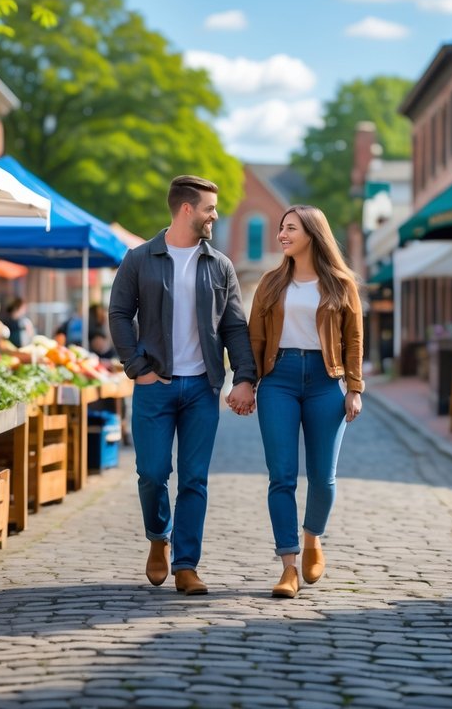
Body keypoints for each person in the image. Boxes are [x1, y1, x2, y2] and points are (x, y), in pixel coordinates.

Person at [109, 175, 257, 596]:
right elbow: (119, 314)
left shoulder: (220, 265)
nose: (215, 216)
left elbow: (234, 325)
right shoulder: (139, 259)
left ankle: (187, 564)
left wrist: (244, 376)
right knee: (152, 473)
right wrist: (137, 366)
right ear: (187, 209)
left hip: (202, 389)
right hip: (154, 385)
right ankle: (159, 536)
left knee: (194, 479)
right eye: (210, 209)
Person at [248, 205, 364, 599]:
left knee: (322, 477)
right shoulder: (270, 283)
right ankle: (288, 566)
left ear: (312, 233)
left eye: (290, 228)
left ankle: (313, 537)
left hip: (325, 381)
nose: (282, 234)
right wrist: (246, 381)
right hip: (278, 379)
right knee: (281, 475)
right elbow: (254, 338)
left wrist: (355, 387)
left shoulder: (341, 284)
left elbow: (353, 339)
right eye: (281, 227)